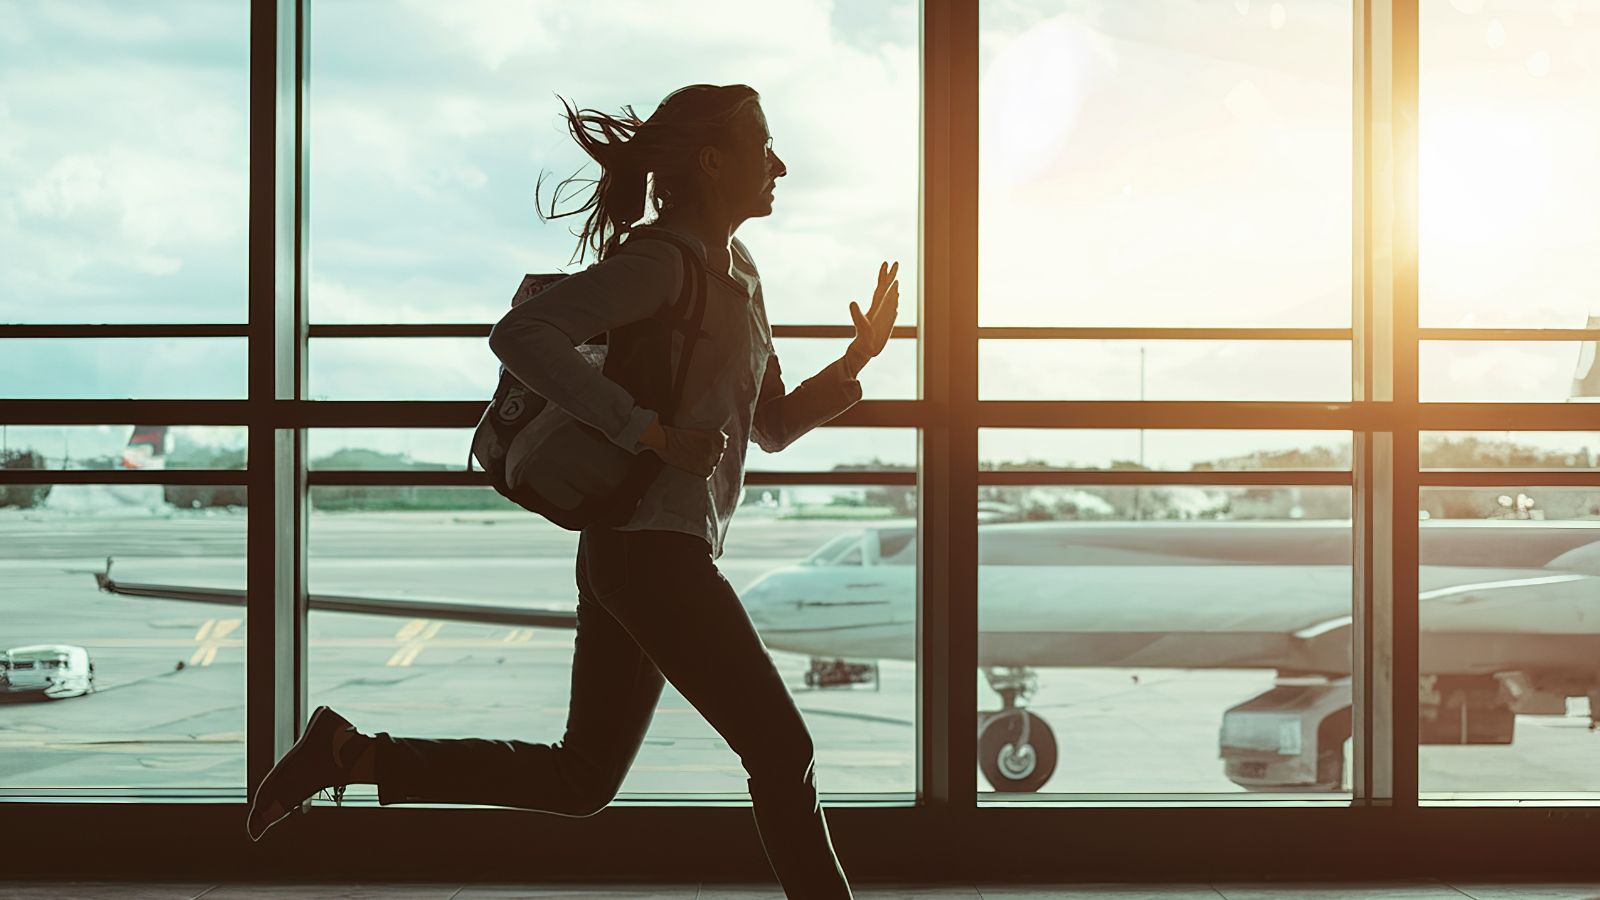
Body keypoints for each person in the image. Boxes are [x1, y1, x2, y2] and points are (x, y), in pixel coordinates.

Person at [245, 83, 899, 899]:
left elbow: (768, 423)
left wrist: (856, 361)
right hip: (649, 553)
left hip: (643, 552)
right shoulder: (662, 263)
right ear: (711, 161)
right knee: (781, 750)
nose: (781, 166)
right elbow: (521, 334)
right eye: (763, 147)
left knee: (582, 779)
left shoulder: (741, 274)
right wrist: (648, 432)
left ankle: (350, 754)